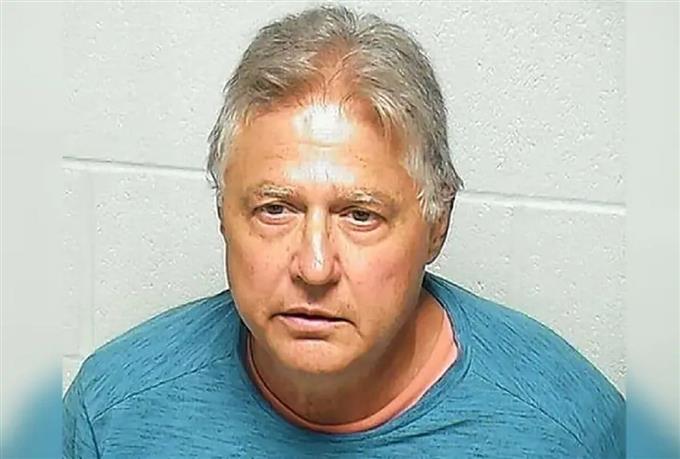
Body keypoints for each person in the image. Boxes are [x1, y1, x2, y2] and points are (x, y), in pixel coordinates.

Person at [63, 5, 625, 458]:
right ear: (222, 213)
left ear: (437, 225)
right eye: (275, 209)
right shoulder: (113, 414)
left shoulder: (568, 432)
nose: (314, 267)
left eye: (360, 215)